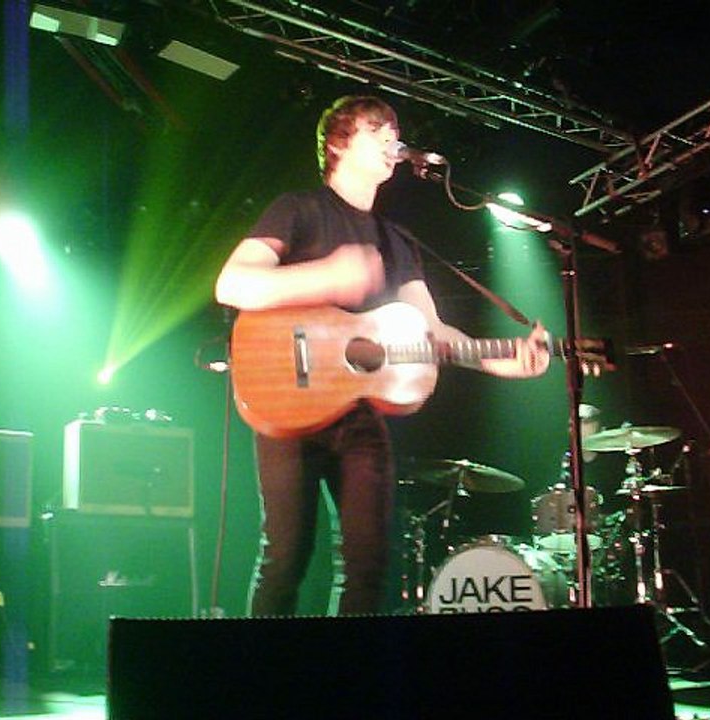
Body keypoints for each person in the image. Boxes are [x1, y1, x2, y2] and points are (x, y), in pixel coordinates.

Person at [215, 95, 550, 616]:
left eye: (395, 131)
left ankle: (353, 687)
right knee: (287, 556)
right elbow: (232, 284)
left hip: (363, 417)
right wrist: (325, 275)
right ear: (339, 143)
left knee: (372, 565)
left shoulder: (398, 241)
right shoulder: (298, 209)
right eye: (379, 129)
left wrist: (494, 358)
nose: (394, 140)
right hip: (287, 399)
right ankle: (262, 683)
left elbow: (430, 330)